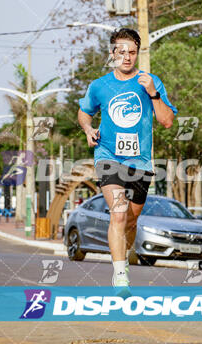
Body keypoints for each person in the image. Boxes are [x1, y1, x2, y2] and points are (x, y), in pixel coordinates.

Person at [78, 28, 177, 288]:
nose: (127, 57)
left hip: (140, 162)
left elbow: (166, 121)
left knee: (131, 219)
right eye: (121, 52)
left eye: (132, 52)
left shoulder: (151, 82)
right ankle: (120, 275)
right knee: (119, 214)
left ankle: (124, 254)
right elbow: (84, 112)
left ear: (137, 54)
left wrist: (153, 92)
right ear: (112, 54)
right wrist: (88, 129)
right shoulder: (99, 86)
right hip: (108, 156)